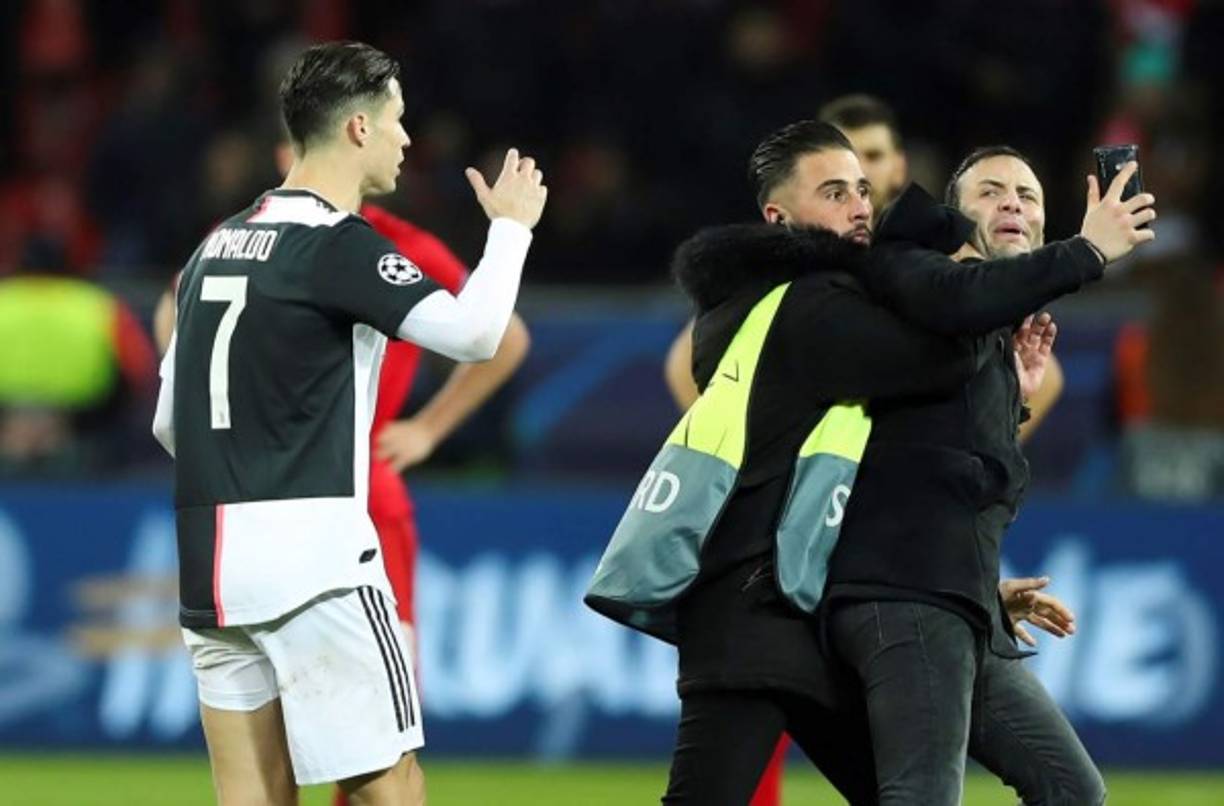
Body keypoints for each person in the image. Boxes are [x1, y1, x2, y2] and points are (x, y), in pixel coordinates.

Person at [151, 41, 546, 806]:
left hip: (209, 561)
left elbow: (172, 422)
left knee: (253, 796)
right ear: (358, 127)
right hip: (314, 559)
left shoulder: (211, 249)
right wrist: (512, 230)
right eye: (398, 121)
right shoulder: (335, 245)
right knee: (389, 785)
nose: (407, 139)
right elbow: (475, 335)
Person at [824, 145, 1156, 805]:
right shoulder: (913, 274)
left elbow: (939, 469)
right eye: (991, 192)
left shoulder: (982, 342)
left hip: (961, 605)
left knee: (1073, 793)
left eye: (1028, 196)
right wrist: (1086, 252)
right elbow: (965, 297)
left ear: (1037, 226)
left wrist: (1013, 399)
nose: (1012, 202)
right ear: (952, 221)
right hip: (907, 602)